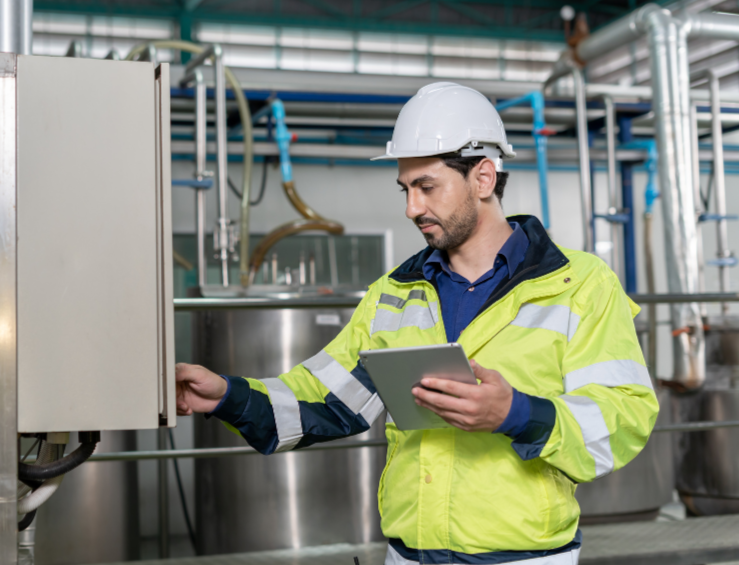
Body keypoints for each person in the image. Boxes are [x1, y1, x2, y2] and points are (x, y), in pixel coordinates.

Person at [176, 82, 658, 565]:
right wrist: (227, 396)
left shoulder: (580, 285)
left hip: (524, 558)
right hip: (408, 556)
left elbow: (625, 417)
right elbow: (328, 398)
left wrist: (516, 413)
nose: (412, 208)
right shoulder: (395, 292)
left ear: (483, 178)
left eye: (427, 187)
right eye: (406, 189)